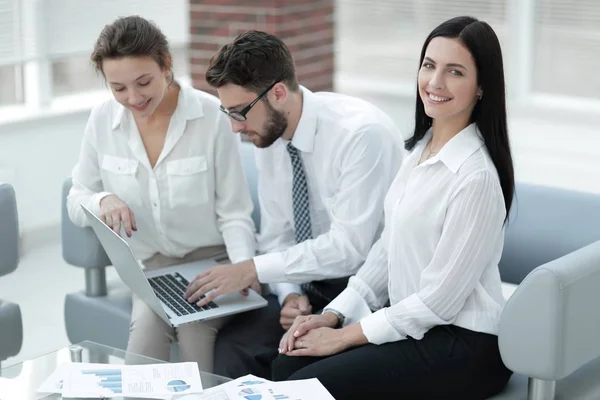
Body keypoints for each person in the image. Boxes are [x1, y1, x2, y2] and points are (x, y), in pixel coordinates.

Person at [272, 16, 515, 399]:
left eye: (455, 72)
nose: (435, 83)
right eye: (429, 65)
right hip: (417, 327)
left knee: (307, 385)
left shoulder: (476, 178)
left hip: (464, 343)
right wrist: (333, 314)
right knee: (286, 363)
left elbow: (438, 303)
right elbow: (387, 250)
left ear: (482, 87)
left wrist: (344, 338)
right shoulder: (418, 152)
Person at [183, 30, 404, 378]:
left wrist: (252, 269)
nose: (234, 127)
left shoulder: (361, 134)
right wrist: (288, 296)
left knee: (293, 366)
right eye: (227, 112)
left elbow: (351, 248)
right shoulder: (269, 136)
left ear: (279, 92)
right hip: (308, 286)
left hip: (367, 291)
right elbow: (277, 235)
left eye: (239, 112)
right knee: (231, 351)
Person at [66, 16, 256, 373]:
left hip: (213, 263)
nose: (133, 98)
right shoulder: (101, 121)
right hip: (153, 270)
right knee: (143, 344)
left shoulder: (211, 118)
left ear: (167, 65)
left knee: (194, 331)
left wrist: (245, 268)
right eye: (118, 88)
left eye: (143, 82)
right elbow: (78, 197)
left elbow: (234, 212)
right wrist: (102, 200)